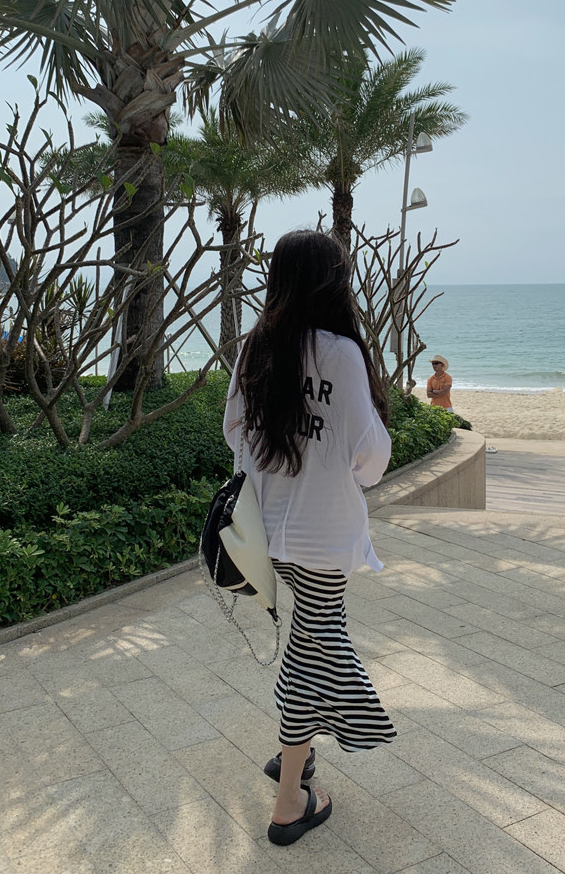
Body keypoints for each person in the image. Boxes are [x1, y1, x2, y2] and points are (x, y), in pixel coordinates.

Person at [223, 229, 397, 847]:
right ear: (333, 282)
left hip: (265, 533)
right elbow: (371, 454)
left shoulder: (256, 346)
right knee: (314, 649)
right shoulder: (341, 354)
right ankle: (289, 803)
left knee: (310, 642)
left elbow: (233, 430)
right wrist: (336, 471)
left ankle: (292, 755)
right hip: (323, 536)